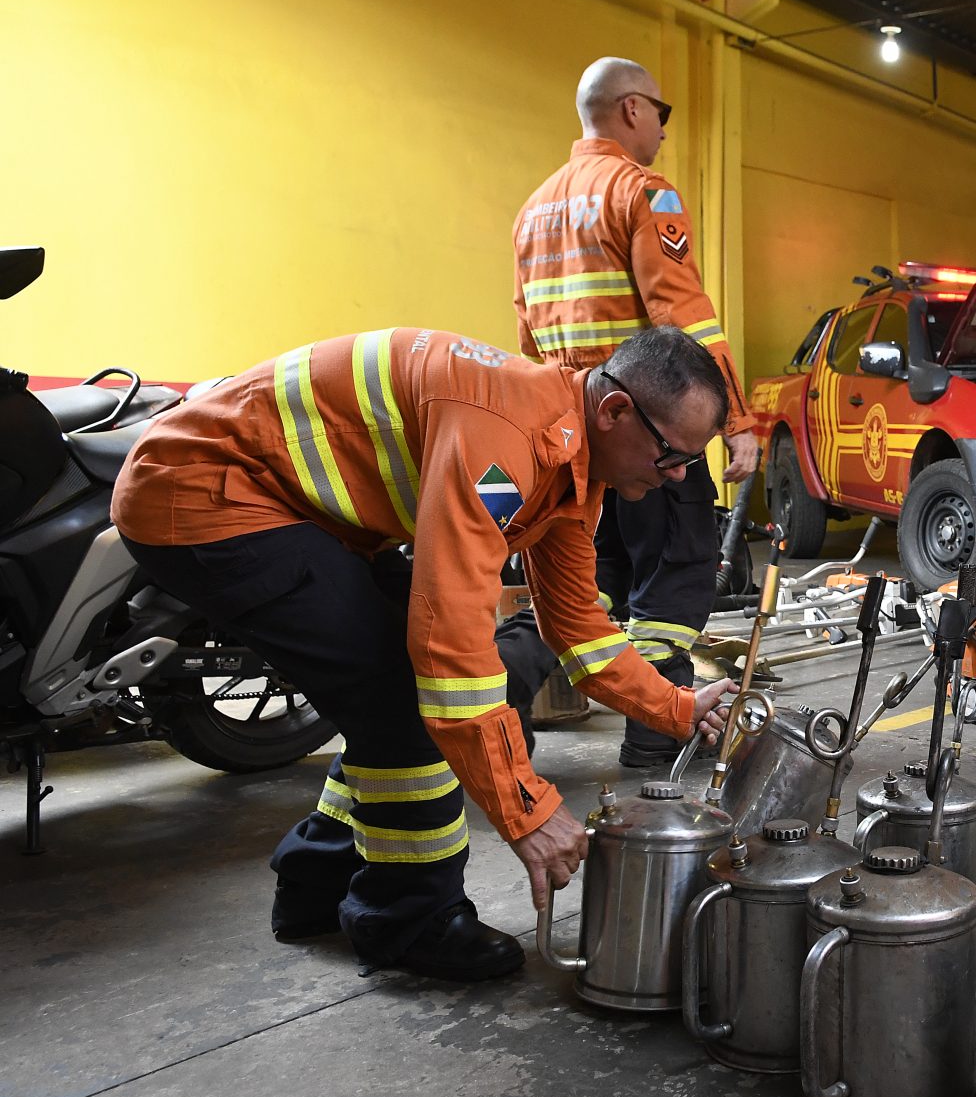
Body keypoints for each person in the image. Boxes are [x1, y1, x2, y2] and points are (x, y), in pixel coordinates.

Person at [111, 327, 738, 981]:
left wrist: (676, 708)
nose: (677, 479)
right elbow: (452, 653)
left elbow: (577, 624)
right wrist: (528, 808)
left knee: (393, 700)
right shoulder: (504, 440)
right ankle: (408, 921)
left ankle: (315, 886)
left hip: (291, 510)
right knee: (407, 703)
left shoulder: (568, 463)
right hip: (205, 493)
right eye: (672, 456)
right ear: (614, 412)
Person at [503, 56, 757, 771]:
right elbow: (683, 324)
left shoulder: (534, 210)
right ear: (633, 110)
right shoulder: (641, 191)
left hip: (575, 439)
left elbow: (527, 341)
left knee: (579, 583)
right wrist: (733, 419)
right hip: (650, 435)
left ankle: (498, 684)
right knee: (674, 578)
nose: (665, 133)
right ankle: (658, 734)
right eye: (663, 115)